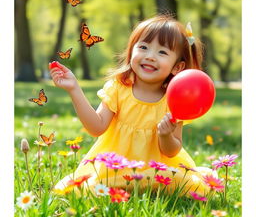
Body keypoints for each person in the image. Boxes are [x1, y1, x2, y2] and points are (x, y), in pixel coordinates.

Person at [49, 14, 214, 195]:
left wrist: (166, 135)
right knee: (93, 187)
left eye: (162, 52)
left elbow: (172, 151)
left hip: (157, 170)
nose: (150, 56)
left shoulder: (173, 99)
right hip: (116, 167)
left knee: (180, 183)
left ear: (177, 67)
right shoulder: (119, 88)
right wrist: (74, 89)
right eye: (143, 47)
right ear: (131, 52)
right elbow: (96, 127)